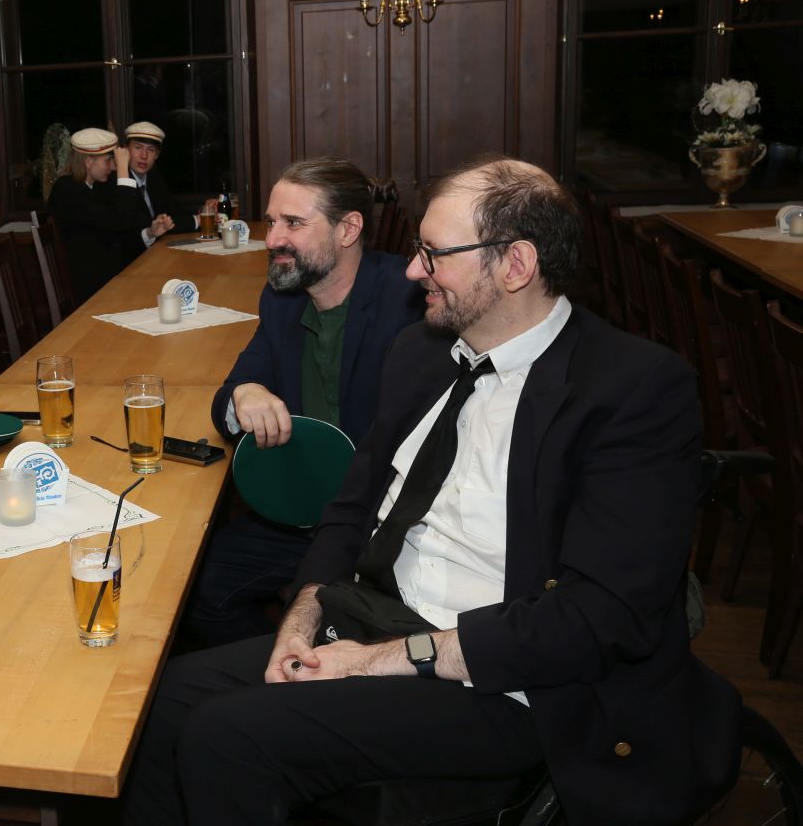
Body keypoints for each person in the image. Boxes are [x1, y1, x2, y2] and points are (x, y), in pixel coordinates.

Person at [124, 158, 741, 826]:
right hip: (381, 616)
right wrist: (300, 618)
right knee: (161, 704)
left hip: (510, 677)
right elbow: (352, 508)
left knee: (227, 738)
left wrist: (384, 661)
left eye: (434, 254)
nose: (413, 270)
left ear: (515, 265)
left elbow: (599, 617)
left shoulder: (631, 389)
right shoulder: (421, 352)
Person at [190, 158, 423, 646]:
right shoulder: (284, 297)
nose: (272, 239)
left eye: (293, 223)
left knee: (330, 620)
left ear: (348, 229)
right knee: (195, 588)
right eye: (272, 221)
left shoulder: (408, 302)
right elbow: (229, 397)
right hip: (304, 511)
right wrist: (245, 394)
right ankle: (272, 668)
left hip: (382, 522)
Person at [47, 127, 174, 305]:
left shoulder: (95, 188)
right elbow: (121, 221)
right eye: (108, 161)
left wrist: (150, 233)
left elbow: (118, 232)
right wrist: (123, 169)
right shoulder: (67, 189)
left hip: (111, 277)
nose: (112, 167)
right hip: (91, 287)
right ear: (89, 162)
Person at [124, 121, 199, 230]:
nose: (144, 156)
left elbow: (173, 209)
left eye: (150, 150)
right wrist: (198, 220)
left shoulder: (153, 175)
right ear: (126, 150)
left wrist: (203, 211)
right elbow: (146, 225)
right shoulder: (120, 182)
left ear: (157, 155)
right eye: (138, 147)